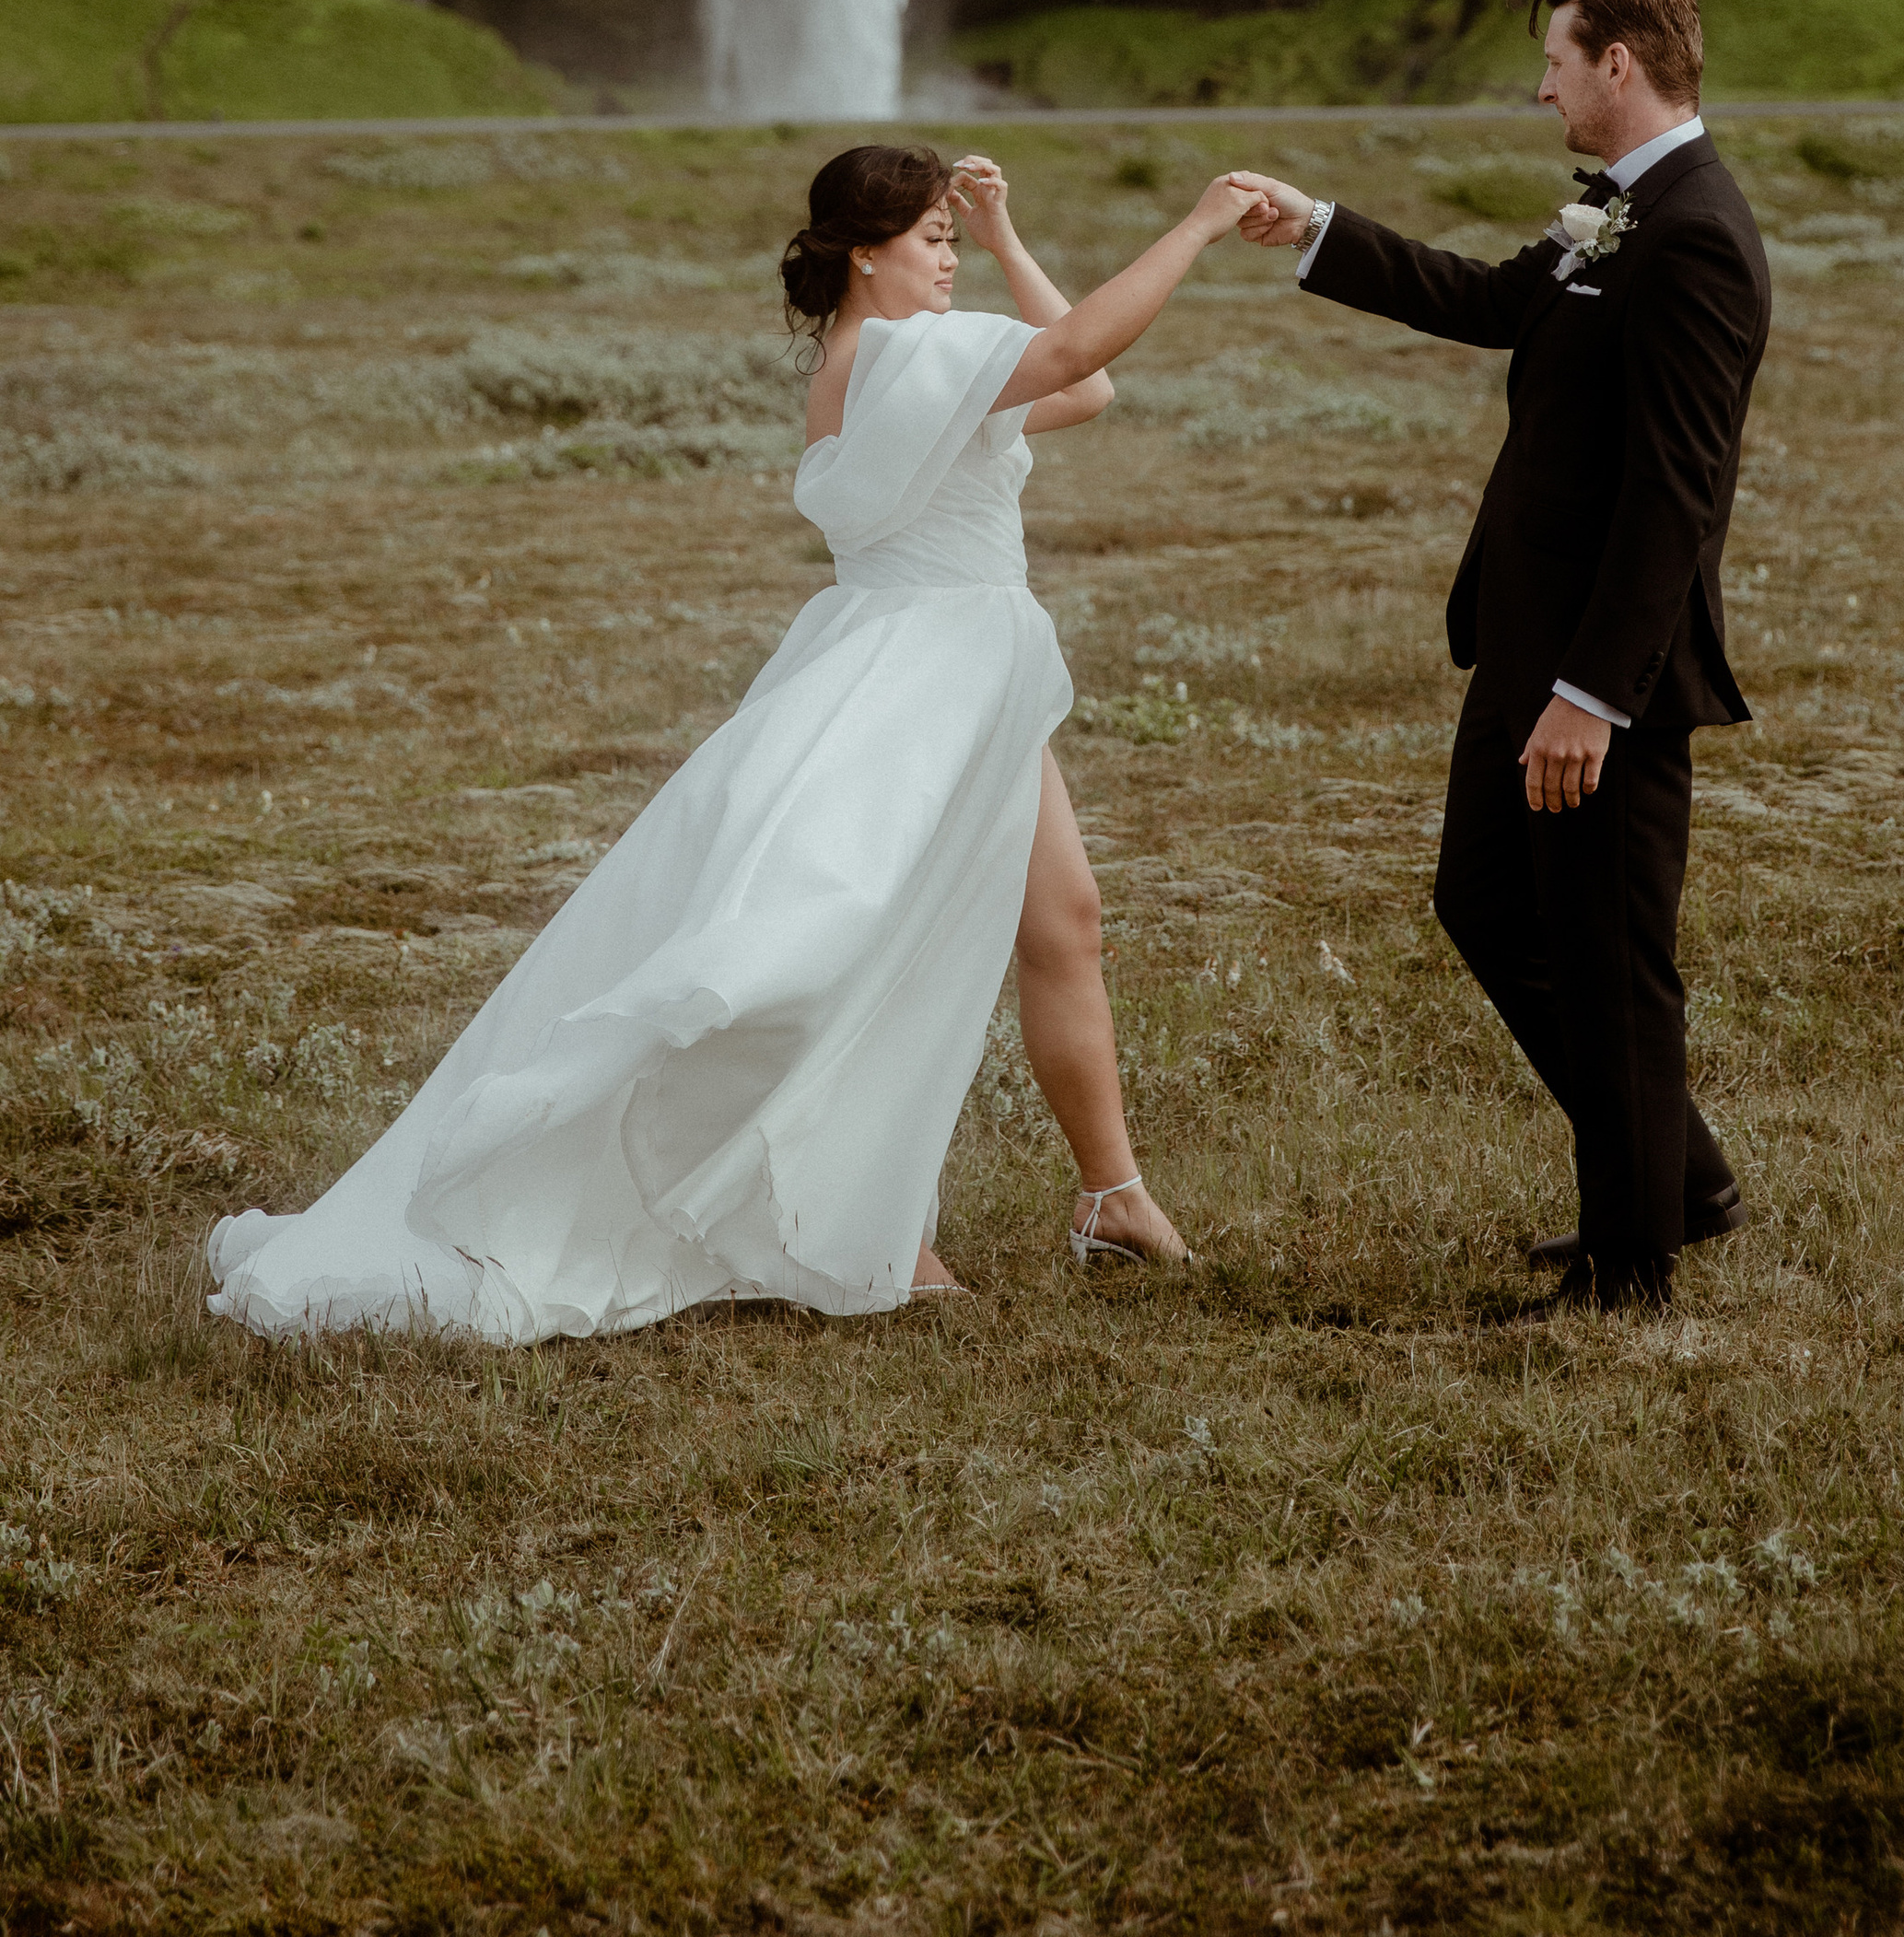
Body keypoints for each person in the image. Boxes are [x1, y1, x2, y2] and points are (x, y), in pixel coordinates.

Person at [209, 145, 1267, 1336]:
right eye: (932, 237)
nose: (948, 258)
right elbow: (1079, 358)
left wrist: (1008, 235)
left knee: (1063, 923)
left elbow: (1081, 394)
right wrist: (1197, 225)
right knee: (835, 952)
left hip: (965, 675)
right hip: (913, 684)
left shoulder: (878, 360)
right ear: (864, 251)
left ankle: (1109, 1197)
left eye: (952, 242)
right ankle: (867, 1222)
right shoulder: (904, 354)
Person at [1237, 0, 1770, 1313]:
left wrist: (1596, 694)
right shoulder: (1611, 208)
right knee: (1482, 898)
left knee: (1610, 953)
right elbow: (1491, 304)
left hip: (1605, 670)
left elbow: (1676, 496)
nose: (1540, 91)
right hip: (1526, 641)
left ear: (1618, 61)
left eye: (1552, 63)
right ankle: (1675, 1173)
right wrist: (1315, 229)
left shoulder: (1701, 234)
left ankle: (1632, 1262)